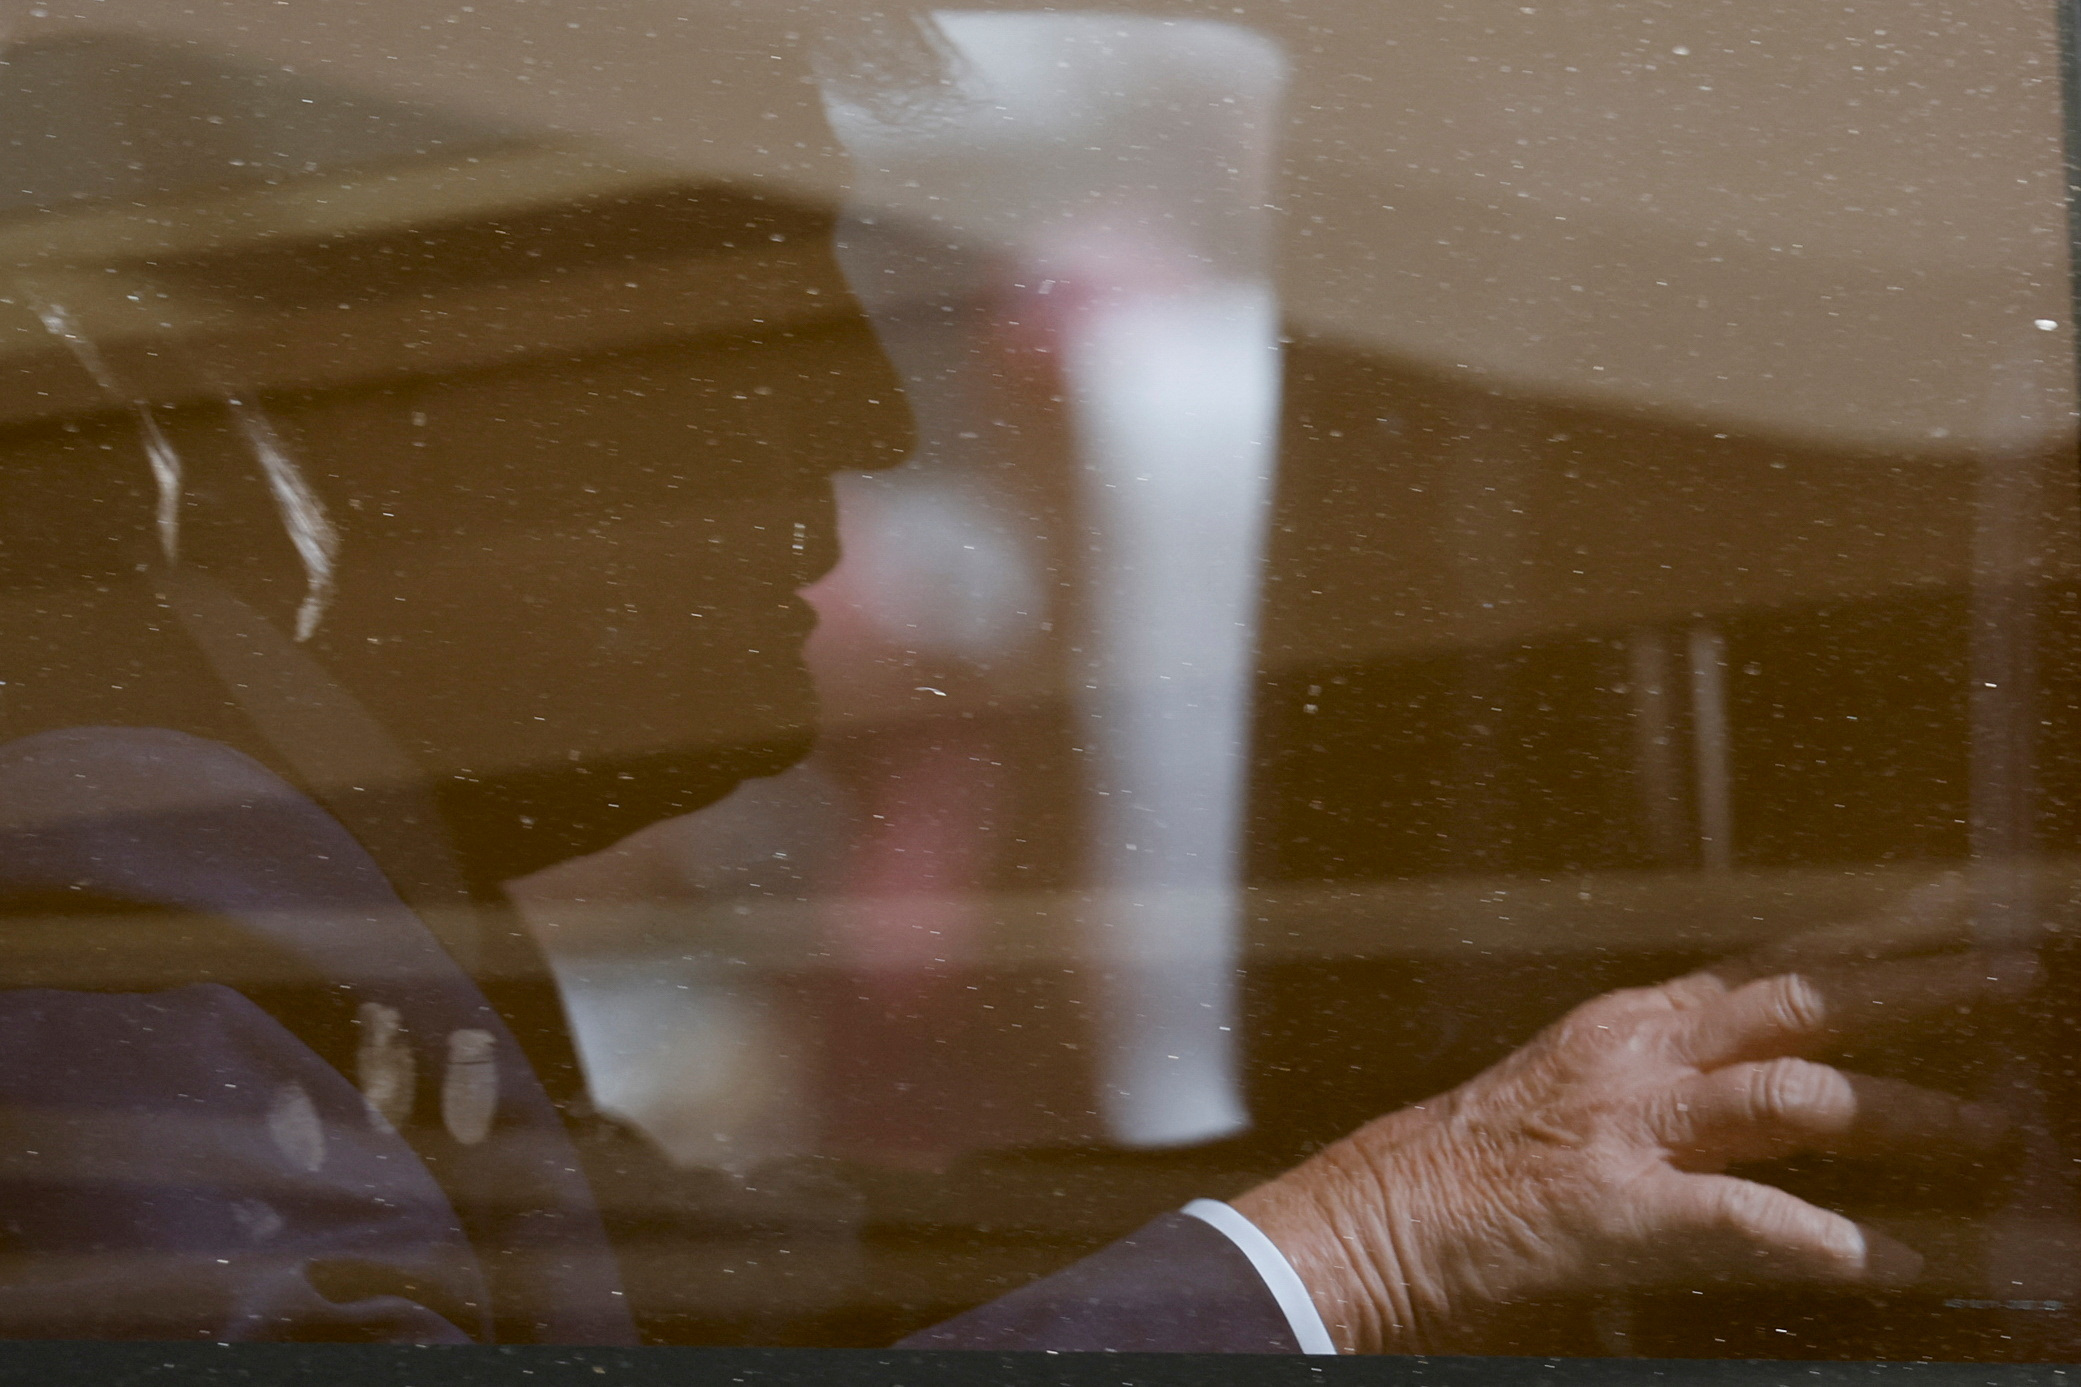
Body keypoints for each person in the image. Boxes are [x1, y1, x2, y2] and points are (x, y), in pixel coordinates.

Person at [0, 29, 2027, 1352]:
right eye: (777, 321)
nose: (882, 424)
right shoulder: (124, 873)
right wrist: (1365, 1238)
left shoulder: (265, 859)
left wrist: (1475, 1163)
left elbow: (681, 1289)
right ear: (440, 403)